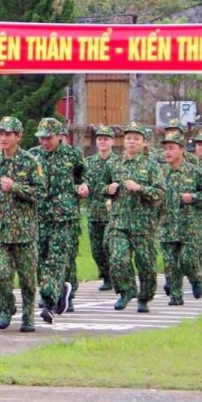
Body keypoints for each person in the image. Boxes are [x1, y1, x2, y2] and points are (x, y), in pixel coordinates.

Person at [0, 116, 45, 330]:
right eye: (0, 134)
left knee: (28, 278)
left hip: (24, 231)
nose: (3, 138)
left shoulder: (30, 162)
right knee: (0, 274)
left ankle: (28, 315)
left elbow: (41, 192)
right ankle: (7, 307)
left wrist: (16, 187)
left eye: (8, 134)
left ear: (18, 136)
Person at [30, 117, 87, 320]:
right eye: (42, 138)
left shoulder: (72, 154)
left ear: (59, 136)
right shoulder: (32, 156)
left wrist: (83, 187)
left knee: (57, 259)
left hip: (64, 216)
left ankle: (51, 300)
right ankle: (58, 291)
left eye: (49, 138)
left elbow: (83, 176)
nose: (45, 142)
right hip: (39, 215)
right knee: (40, 258)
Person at [106, 124, 163, 312]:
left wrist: (141, 188)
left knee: (146, 264)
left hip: (143, 223)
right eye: (129, 138)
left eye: (136, 139)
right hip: (119, 221)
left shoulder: (151, 166)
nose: (131, 142)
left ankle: (144, 297)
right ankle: (126, 290)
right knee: (118, 260)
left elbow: (160, 194)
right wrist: (108, 190)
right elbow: (99, 186)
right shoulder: (113, 164)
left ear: (143, 142)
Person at [159, 132, 202, 305]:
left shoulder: (194, 171)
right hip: (167, 225)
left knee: (188, 259)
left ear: (181, 150)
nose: (167, 152)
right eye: (165, 149)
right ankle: (176, 295)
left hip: (189, 225)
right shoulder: (160, 173)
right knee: (170, 263)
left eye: (171, 148)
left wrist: (194, 197)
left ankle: (196, 278)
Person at [83, 125, 116, 291]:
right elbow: (84, 183)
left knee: (109, 246)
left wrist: (112, 194)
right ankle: (105, 276)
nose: (102, 142)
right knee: (97, 250)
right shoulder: (88, 163)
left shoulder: (118, 162)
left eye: (106, 139)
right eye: (100, 139)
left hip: (112, 214)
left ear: (112, 141)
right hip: (94, 212)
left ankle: (115, 275)